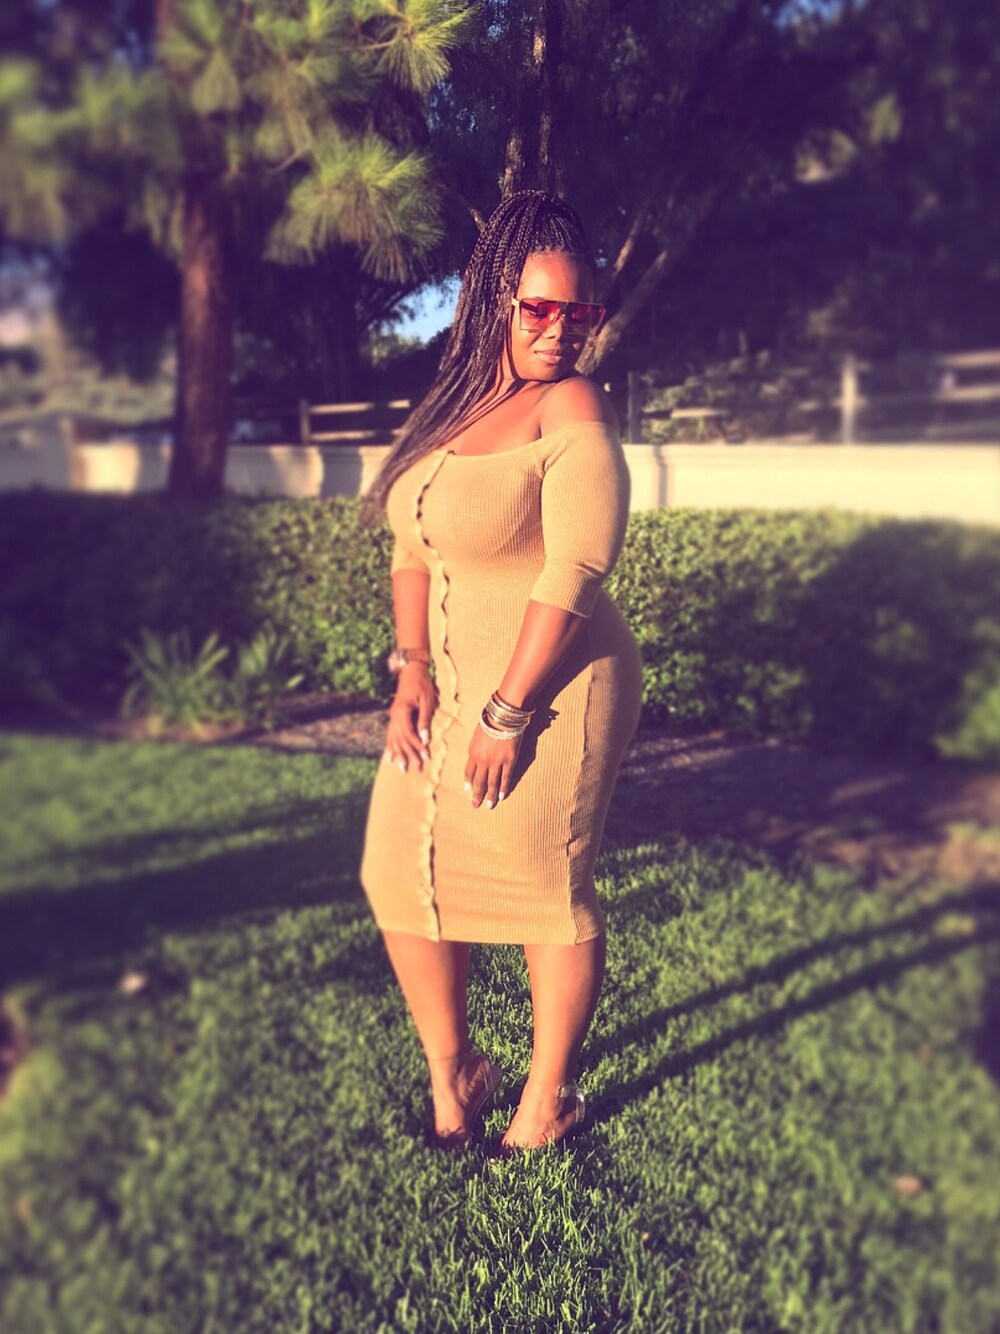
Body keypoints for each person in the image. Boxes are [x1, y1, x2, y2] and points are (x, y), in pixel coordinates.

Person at [358, 190, 643, 1152]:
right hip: (446, 686)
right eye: (540, 308)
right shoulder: (455, 405)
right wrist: (412, 670)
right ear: (493, 301)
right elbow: (411, 545)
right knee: (398, 867)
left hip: (553, 685)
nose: (562, 331)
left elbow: (577, 567)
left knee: (540, 883)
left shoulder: (572, 405)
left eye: (580, 311)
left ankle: (545, 1098)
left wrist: (506, 712)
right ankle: (456, 1073)